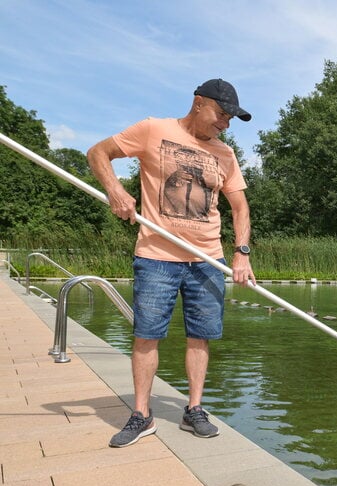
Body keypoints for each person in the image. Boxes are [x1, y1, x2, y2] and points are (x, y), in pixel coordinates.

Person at [87, 78, 256, 448]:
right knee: (147, 334)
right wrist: (115, 189)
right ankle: (142, 415)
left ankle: (194, 409)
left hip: (208, 259)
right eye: (222, 114)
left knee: (202, 336)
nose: (225, 124)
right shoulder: (153, 130)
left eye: (230, 118)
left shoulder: (225, 155)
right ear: (199, 103)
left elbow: (240, 207)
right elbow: (98, 152)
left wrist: (241, 254)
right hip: (156, 256)